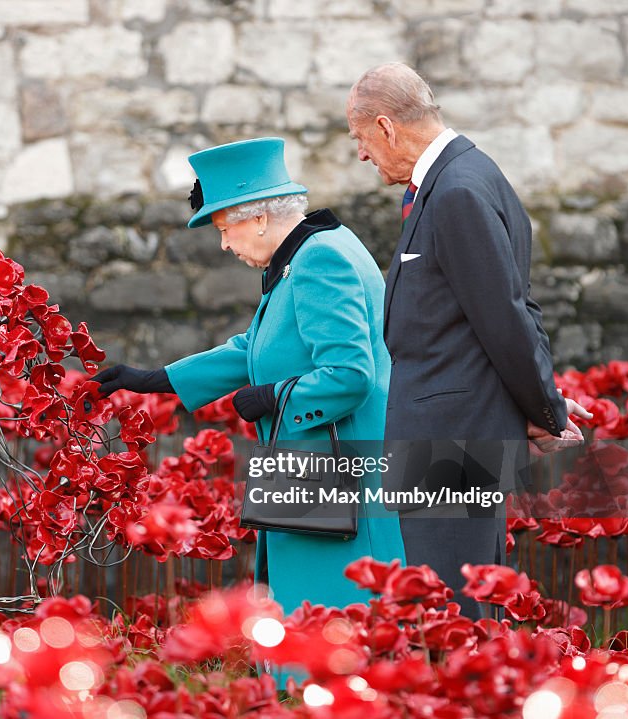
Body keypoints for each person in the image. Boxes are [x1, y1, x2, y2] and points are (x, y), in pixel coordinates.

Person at [93, 137, 405, 621]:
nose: (223, 244)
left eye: (224, 228)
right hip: (320, 478)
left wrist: (274, 396)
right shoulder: (309, 253)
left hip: (339, 480)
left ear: (258, 217)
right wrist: (159, 379)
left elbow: (350, 375)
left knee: (329, 627)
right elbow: (257, 347)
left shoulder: (320, 260)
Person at [345, 62, 590, 618]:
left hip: (448, 440)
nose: (362, 154)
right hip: (455, 430)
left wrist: (544, 408)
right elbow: (510, 306)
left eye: (360, 139)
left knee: (452, 609)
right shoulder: (471, 174)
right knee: (454, 601)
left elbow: (503, 315)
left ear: (386, 127)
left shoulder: (455, 190)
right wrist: (536, 403)